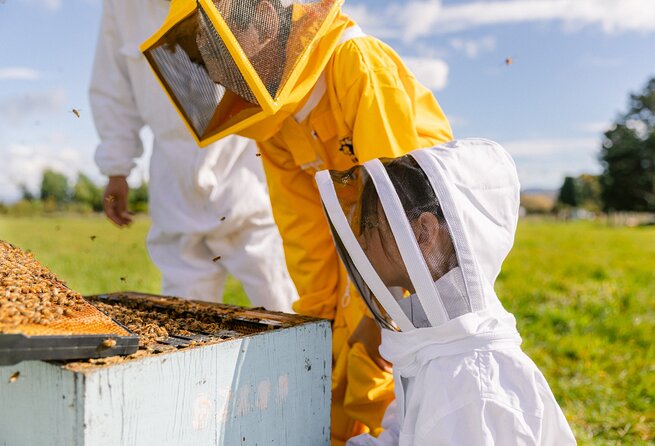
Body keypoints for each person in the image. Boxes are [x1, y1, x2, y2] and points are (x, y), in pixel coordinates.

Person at [140, 1, 454, 442]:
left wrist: (385, 314)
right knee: (329, 382)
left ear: (263, 21)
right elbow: (305, 232)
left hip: (428, 260)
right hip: (362, 258)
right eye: (207, 61)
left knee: (393, 386)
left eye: (219, 52)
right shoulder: (276, 125)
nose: (215, 76)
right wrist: (315, 323)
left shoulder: (356, 63)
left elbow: (401, 200)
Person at [315, 138, 577, 445]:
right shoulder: (440, 341)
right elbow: (405, 436)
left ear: (423, 232)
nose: (361, 241)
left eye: (369, 224)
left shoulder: (469, 380)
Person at [89, 0, 297, 312]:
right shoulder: (122, 7)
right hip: (174, 178)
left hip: (245, 167)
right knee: (185, 315)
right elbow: (112, 88)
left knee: (283, 303)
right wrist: (116, 169)